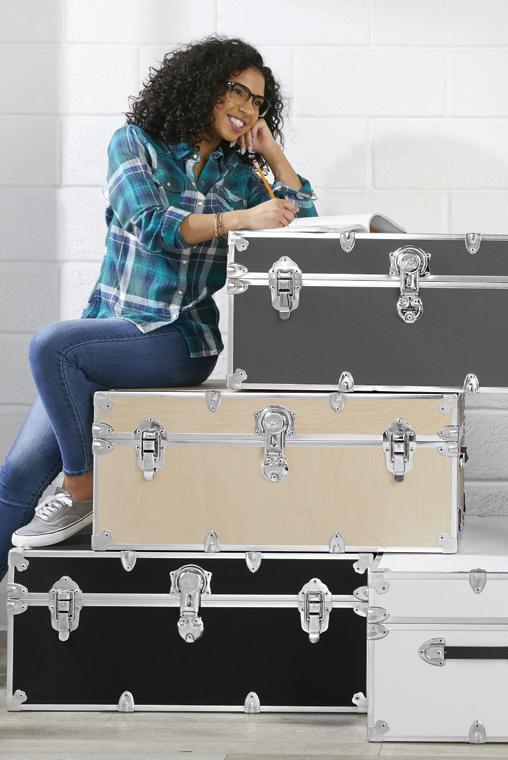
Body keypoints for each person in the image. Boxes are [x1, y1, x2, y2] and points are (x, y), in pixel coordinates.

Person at [0, 36, 316, 551]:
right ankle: (70, 503)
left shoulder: (244, 173)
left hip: (180, 340)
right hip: (109, 329)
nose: (246, 107)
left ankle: (81, 490)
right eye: (236, 90)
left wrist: (273, 153)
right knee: (16, 475)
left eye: (257, 101)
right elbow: (150, 224)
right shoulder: (134, 143)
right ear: (201, 86)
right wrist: (239, 220)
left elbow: (307, 230)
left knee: (51, 346)